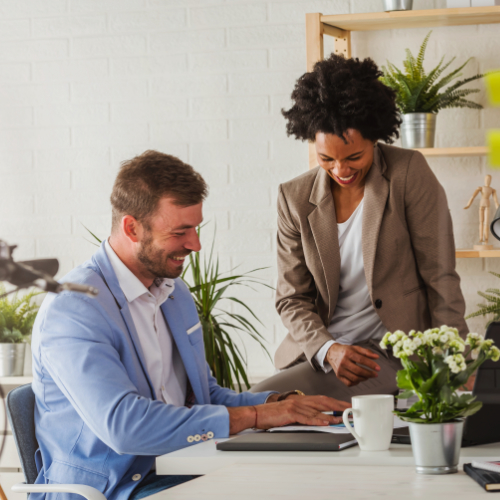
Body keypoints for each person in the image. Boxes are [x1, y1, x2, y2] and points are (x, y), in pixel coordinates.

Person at [31, 151, 349, 500]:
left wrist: (281, 404)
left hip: (181, 471)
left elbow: (205, 397)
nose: (195, 245)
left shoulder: (174, 294)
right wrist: (257, 416)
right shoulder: (75, 308)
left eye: (195, 229)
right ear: (131, 227)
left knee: (308, 482)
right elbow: (124, 426)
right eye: (181, 232)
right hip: (115, 488)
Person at [250, 54, 468, 401]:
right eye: (326, 159)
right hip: (325, 355)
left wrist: (458, 361)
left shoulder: (408, 173)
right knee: (260, 401)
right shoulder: (294, 198)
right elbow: (292, 298)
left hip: (392, 352)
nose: (340, 169)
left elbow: (439, 275)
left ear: (375, 139)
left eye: (354, 157)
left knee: (282, 406)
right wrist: (329, 350)